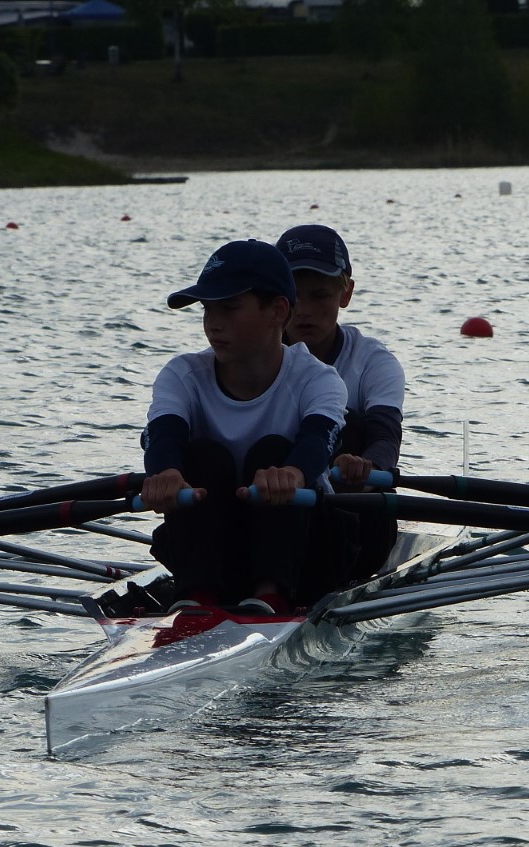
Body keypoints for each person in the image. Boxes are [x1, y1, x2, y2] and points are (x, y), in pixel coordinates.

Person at [139, 240, 348, 616]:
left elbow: (319, 442)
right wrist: (164, 473)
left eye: (229, 307)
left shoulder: (318, 379)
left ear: (278, 310)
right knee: (202, 456)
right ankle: (198, 596)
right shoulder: (182, 374)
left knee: (272, 453)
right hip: (217, 546)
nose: (212, 323)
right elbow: (163, 434)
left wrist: (293, 473)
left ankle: (271, 595)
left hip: (305, 556)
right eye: (207, 309)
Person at [277, 223, 406, 576]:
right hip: (268, 517)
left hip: (355, 526)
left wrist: (368, 469)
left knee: (349, 427)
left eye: (319, 295)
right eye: (294, 296)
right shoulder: (249, 359)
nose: (304, 310)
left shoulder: (374, 362)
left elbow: (385, 437)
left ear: (345, 294)